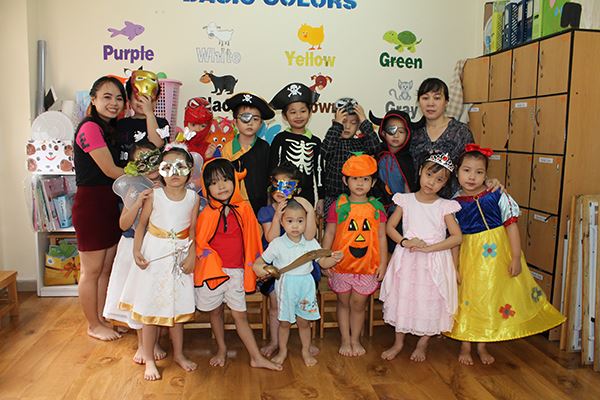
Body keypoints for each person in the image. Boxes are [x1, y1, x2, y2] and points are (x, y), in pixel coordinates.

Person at [446, 144, 566, 365]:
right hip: (469, 256)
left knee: (493, 295)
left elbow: (511, 227)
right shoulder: (453, 204)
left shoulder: (496, 195)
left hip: (497, 255)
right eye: (466, 170)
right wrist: (454, 267)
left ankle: (483, 344)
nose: (472, 177)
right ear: (457, 172)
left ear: (486, 175)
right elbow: (454, 240)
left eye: (479, 172)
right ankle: (465, 344)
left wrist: (516, 257)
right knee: (468, 298)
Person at [119, 145, 199, 380]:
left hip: (180, 255)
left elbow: (192, 230)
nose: (174, 172)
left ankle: (179, 354)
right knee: (150, 308)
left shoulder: (193, 198)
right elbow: (142, 225)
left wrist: (192, 254)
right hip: (154, 255)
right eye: (168, 167)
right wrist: (136, 250)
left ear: (189, 170)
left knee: (177, 307)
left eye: (180, 167)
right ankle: (149, 360)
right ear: (161, 170)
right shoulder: (155, 195)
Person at [193, 158, 282, 371]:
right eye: (214, 182)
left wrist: (258, 266)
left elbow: (253, 241)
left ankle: (256, 357)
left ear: (235, 180)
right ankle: (221, 349)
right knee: (215, 312)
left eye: (225, 179)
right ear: (206, 187)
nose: (221, 186)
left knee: (240, 315)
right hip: (213, 274)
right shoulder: (206, 213)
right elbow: (199, 243)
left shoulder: (244, 209)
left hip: (236, 273)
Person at [380, 152, 462, 362]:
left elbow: (456, 237)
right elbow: (390, 227)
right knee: (404, 298)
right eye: (429, 175)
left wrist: (432, 248)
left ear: (445, 183)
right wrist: (405, 242)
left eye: (439, 179)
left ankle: (422, 343)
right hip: (408, 259)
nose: (431, 182)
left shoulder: (445, 206)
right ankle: (398, 343)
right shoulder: (405, 200)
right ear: (420, 172)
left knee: (430, 301)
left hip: (434, 261)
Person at [254, 199, 342, 367]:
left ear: (306, 221)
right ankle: (282, 351)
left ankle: (305, 351)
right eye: (290, 221)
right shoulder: (277, 244)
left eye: (300, 221)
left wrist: (334, 259)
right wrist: (262, 269)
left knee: (304, 322)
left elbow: (323, 262)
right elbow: (259, 263)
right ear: (282, 222)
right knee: (284, 323)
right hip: (285, 286)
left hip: (306, 286)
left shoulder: (310, 243)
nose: (295, 226)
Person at [72, 76, 126, 341]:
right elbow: (110, 170)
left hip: (108, 203)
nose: (113, 103)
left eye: (119, 98)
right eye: (107, 97)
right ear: (93, 99)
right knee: (91, 271)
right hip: (91, 205)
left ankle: (103, 318)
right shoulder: (90, 127)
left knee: (105, 268)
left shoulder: (110, 129)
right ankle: (93, 325)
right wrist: (147, 175)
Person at [103, 143, 164, 363]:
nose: (150, 166)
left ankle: (155, 340)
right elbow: (123, 224)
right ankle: (142, 344)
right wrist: (137, 202)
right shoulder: (133, 188)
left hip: (159, 246)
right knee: (139, 297)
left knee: (157, 295)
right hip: (134, 247)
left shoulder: (169, 184)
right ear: (134, 166)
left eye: (153, 160)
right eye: (142, 162)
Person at [322, 153, 388, 357]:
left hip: (367, 265)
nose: (360, 183)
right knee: (343, 302)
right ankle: (345, 339)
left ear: (373, 182)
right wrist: (324, 260)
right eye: (355, 178)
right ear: (345, 180)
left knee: (359, 304)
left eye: (365, 179)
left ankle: (355, 339)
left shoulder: (377, 209)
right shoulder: (338, 206)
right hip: (341, 264)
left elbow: (382, 237)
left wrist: (383, 263)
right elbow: (329, 233)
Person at [256, 163, 319, 358]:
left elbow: (310, 236)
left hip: (301, 268)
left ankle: (306, 343)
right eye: (278, 184)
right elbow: (271, 238)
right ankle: (275, 342)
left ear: (296, 188)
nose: (282, 189)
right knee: (276, 303)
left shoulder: (301, 210)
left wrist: (309, 210)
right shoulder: (266, 211)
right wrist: (277, 215)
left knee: (304, 305)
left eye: (288, 185)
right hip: (275, 267)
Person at [410, 78, 474, 199]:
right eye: (425, 98)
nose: (430, 103)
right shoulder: (413, 133)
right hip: (420, 203)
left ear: (446, 102)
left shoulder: (461, 132)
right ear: (419, 102)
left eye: (437, 98)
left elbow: (473, 164)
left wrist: (488, 181)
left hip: (453, 202)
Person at [321, 99, 380, 215]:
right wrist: (337, 126)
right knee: (333, 225)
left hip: (359, 199)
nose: (347, 126)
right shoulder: (332, 143)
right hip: (334, 198)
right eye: (343, 122)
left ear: (358, 126)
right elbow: (325, 152)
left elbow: (375, 148)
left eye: (353, 123)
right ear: (335, 123)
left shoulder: (361, 144)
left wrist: (364, 121)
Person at [269, 82, 323, 209]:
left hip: (307, 196)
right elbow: (272, 169)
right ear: (284, 116)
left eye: (303, 111)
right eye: (293, 112)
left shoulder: (315, 142)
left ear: (310, 112)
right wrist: (271, 195)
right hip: (283, 193)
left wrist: (321, 198)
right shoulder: (280, 139)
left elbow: (319, 171)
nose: (298, 116)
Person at [222, 92, 275, 213]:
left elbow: (269, 178)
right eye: (245, 118)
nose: (250, 123)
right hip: (234, 205)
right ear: (235, 122)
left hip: (259, 205)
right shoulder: (228, 149)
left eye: (255, 119)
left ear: (261, 124)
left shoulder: (264, 147)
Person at [116, 69, 168, 166]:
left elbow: (156, 144)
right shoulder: (121, 124)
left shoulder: (161, 123)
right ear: (129, 100)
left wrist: (149, 113)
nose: (144, 104)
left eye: (149, 99)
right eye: (139, 99)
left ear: (156, 101)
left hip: (152, 172)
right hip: (127, 172)